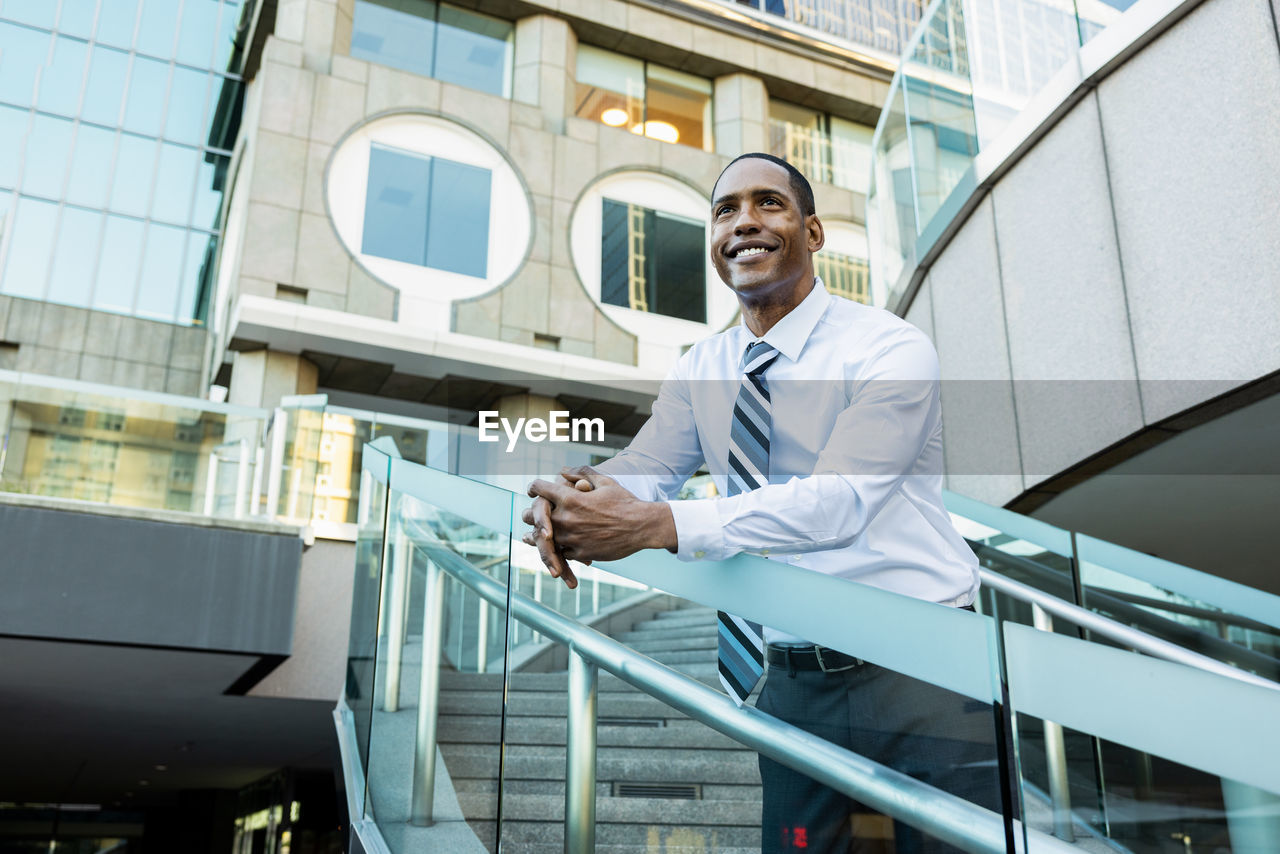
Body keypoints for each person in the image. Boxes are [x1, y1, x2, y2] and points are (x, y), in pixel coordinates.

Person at [522, 153, 1001, 853]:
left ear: (812, 232)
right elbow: (650, 467)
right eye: (725, 210)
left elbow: (839, 503)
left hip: (920, 667)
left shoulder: (888, 347)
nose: (744, 220)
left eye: (767, 204)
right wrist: (572, 500)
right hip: (790, 677)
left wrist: (660, 523)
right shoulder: (700, 367)